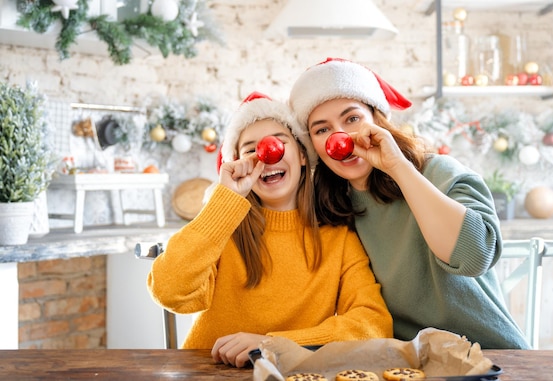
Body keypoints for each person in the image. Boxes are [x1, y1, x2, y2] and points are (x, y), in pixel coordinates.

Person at [288, 58, 530, 349]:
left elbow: (475, 255)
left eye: (352, 118)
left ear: (377, 119)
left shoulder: (439, 172)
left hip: (489, 355)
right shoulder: (332, 209)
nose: (341, 137)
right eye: (321, 129)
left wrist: (398, 168)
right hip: (408, 364)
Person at [146, 91, 393, 368]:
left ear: (302, 154)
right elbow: (169, 291)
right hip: (211, 373)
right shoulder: (222, 228)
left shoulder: (339, 238)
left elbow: (373, 325)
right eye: (250, 150)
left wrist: (275, 344)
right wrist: (225, 202)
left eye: (278, 142)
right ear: (237, 164)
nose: (266, 154)